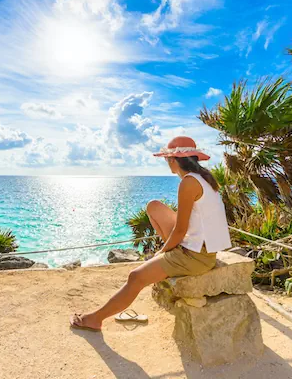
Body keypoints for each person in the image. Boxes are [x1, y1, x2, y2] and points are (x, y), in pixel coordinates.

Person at [70, 136, 232, 331]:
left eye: (167, 159)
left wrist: (161, 252)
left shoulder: (188, 183)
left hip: (196, 257)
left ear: (173, 160)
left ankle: (95, 319)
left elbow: (180, 230)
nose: (167, 163)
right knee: (154, 207)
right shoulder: (203, 178)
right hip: (202, 249)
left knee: (135, 277)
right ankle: (168, 258)